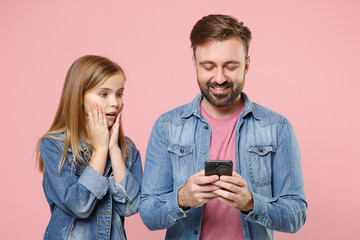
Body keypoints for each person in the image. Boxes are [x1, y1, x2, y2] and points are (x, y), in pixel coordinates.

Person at [139, 14, 307, 240]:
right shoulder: (166, 126)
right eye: (208, 66)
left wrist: (250, 202)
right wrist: (183, 198)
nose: (219, 78)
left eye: (230, 66)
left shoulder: (277, 128)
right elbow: (148, 214)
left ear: (246, 65)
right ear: (195, 64)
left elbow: (296, 215)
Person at [36, 55, 142, 239]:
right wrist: (100, 151)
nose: (114, 102)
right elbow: (79, 205)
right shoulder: (54, 146)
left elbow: (130, 206)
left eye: (119, 94)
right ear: (79, 96)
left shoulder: (128, 149)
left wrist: (114, 150)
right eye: (104, 94)